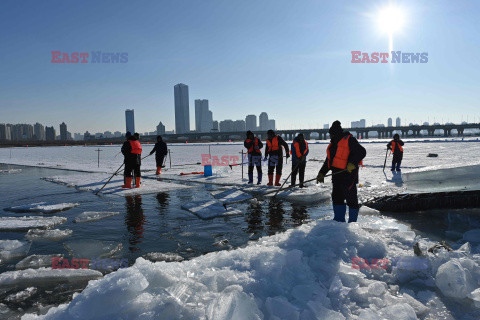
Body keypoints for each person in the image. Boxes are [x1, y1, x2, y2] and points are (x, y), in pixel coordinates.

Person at [317, 121, 366, 223]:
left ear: (335, 133)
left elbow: (362, 151)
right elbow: (328, 161)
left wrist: (352, 163)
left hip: (349, 176)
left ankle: (352, 224)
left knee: (351, 200)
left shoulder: (349, 139)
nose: (330, 136)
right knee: (337, 199)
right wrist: (322, 173)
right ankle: (339, 223)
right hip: (336, 176)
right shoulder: (332, 145)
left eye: (331, 134)